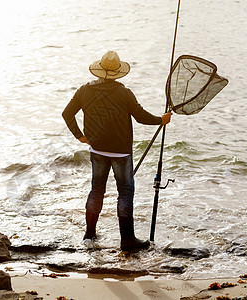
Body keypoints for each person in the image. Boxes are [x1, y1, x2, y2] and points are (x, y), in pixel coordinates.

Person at [62, 50, 172, 251]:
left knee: (97, 189)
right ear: (117, 72)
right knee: (125, 192)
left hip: (97, 150)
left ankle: (89, 234)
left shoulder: (84, 90)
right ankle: (127, 240)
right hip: (121, 153)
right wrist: (161, 120)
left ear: (99, 70)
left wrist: (80, 136)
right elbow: (141, 117)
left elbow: (67, 113)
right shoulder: (124, 93)